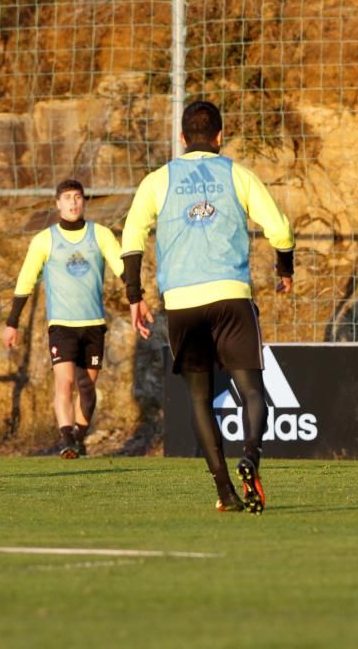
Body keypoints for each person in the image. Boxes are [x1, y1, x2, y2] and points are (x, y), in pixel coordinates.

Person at [121, 101, 295, 513]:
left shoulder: (158, 180)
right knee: (252, 390)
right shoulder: (237, 173)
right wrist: (284, 268)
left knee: (200, 398)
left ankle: (224, 492)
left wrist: (134, 295)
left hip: (181, 301)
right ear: (220, 136)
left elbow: (132, 235)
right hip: (231, 295)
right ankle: (250, 455)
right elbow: (280, 228)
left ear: (182, 138)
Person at [1, 180, 123, 458]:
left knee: (88, 391)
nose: (73, 203)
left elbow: (121, 268)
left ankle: (78, 437)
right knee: (66, 382)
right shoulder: (45, 239)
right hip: (61, 325)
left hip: (93, 324)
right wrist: (12, 322)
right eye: (67, 198)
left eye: (78, 197)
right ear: (57, 204)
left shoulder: (100, 234)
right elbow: (26, 280)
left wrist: (137, 296)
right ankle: (66, 438)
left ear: (83, 202)